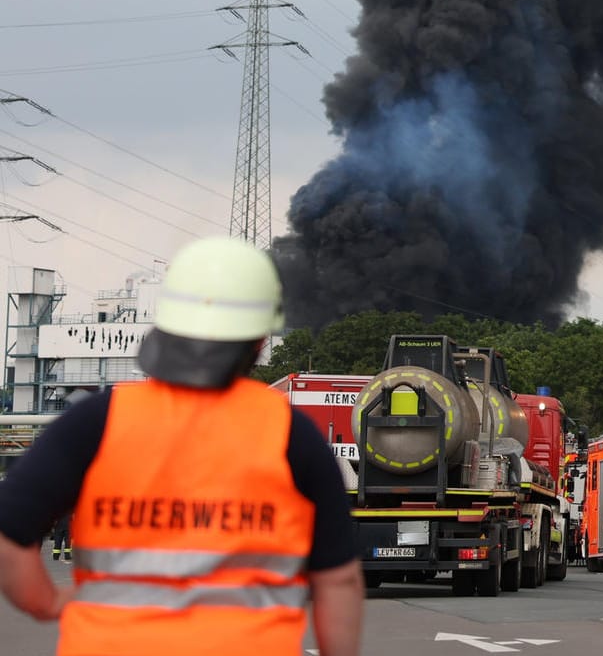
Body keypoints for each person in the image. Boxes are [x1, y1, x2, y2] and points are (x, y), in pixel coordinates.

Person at [0, 235, 364, 656]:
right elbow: (338, 580)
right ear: (261, 339)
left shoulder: (96, 422)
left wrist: (46, 603)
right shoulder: (291, 435)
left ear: (166, 324)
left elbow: (8, 535)